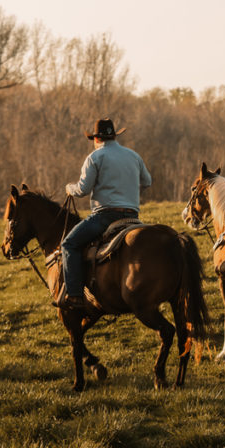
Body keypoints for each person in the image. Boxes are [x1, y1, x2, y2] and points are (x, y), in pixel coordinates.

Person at [60, 118, 152, 310]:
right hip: (133, 216)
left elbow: (83, 189)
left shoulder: (95, 157)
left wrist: (70, 189)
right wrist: (130, 193)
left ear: (96, 139)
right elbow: (147, 181)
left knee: (69, 244)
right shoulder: (133, 156)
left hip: (105, 216)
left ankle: (75, 295)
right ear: (114, 136)